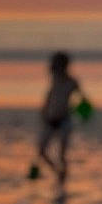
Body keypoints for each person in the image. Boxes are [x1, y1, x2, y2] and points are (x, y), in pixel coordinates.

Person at [29, 51, 86, 181]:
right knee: (41, 150)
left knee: (62, 154)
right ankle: (57, 172)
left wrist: (83, 113)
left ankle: (62, 176)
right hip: (49, 119)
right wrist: (44, 111)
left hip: (64, 120)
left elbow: (81, 99)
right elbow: (50, 96)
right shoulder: (54, 78)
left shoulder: (71, 82)